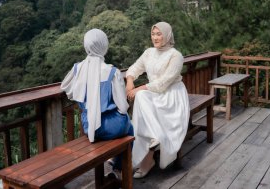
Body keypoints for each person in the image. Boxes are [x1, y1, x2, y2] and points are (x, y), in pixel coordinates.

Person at [61, 28, 134, 177]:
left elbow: (67, 89)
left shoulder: (78, 68)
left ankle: (115, 167)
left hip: (89, 125)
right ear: (104, 46)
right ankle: (119, 168)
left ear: (86, 46)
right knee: (130, 127)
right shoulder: (112, 72)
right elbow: (122, 105)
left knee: (126, 126)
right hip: (112, 125)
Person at [125, 21, 190, 179]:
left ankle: (147, 153)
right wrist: (129, 82)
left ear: (167, 35)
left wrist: (137, 89)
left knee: (141, 95)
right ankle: (151, 141)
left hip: (172, 95)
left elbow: (163, 83)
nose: (155, 37)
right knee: (142, 97)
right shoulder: (148, 52)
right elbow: (134, 68)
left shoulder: (176, 56)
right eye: (153, 34)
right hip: (153, 94)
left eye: (159, 34)